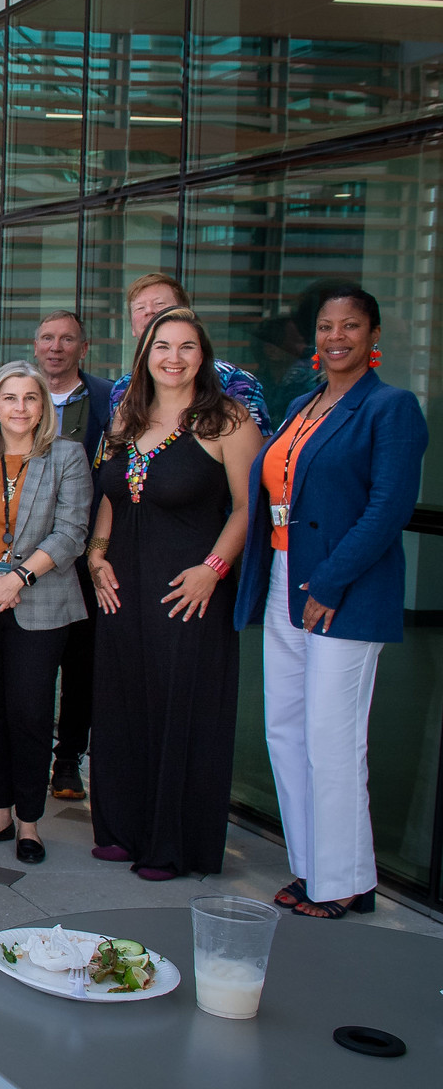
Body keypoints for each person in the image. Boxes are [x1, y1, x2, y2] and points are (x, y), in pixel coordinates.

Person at [236, 283, 426, 919]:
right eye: (325, 327)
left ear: (374, 337)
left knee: (332, 738)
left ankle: (347, 880)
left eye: (350, 327)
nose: (336, 337)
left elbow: (387, 509)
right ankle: (313, 867)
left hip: (342, 588)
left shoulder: (391, 408)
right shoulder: (302, 405)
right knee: (285, 731)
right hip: (286, 577)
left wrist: (330, 583)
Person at [88, 308, 262, 881]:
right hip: (122, 589)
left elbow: (247, 510)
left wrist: (213, 568)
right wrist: (96, 553)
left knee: (177, 710)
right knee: (122, 705)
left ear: (202, 357)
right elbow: (114, 494)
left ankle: (171, 844)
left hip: (188, 592)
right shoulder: (125, 417)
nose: (174, 357)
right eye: (162, 346)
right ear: (145, 355)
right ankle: (122, 829)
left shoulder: (228, 422)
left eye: (188, 347)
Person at [0, 362, 92, 866]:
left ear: (43, 407)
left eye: (31, 398)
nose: (21, 408)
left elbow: (72, 532)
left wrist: (17, 579)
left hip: (40, 601)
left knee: (28, 713)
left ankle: (30, 821)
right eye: (11, 398)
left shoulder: (67, 456)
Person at [32, 309, 114, 802]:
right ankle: (29, 753)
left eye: (67, 339)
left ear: (84, 348)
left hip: (82, 551)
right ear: (35, 345)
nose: (56, 347)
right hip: (21, 555)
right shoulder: (18, 393)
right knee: (34, 663)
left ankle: (67, 760)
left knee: (82, 662)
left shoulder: (108, 399)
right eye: (47, 338)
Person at [108, 273, 272, 435]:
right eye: (140, 307)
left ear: (185, 315)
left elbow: (258, 456)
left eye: (159, 304)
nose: (149, 311)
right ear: (132, 327)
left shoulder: (236, 382)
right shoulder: (123, 389)